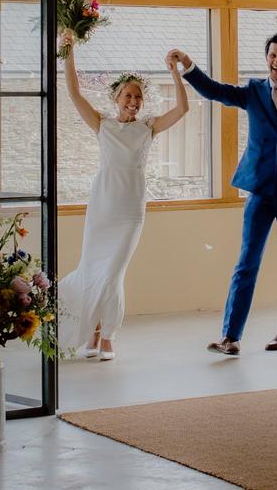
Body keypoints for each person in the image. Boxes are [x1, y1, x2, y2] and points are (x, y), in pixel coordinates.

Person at [167, 33, 277, 355]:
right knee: (246, 263)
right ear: (267, 58)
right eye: (272, 55)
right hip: (260, 190)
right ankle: (231, 336)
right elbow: (214, 90)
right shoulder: (253, 91)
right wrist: (188, 64)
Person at [58, 33, 189, 360]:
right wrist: (68, 50)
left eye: (138, 96)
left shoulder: (148, 127)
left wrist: (175, 72)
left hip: (130, 210)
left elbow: (183, 108)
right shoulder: (101, 124)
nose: (133, 101)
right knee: (92, 269)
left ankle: (107, 335)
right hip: (102, 206)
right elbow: (73, 92)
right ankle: (93, 331)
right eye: (128, 95)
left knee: (113, 272)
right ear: (116, 98)